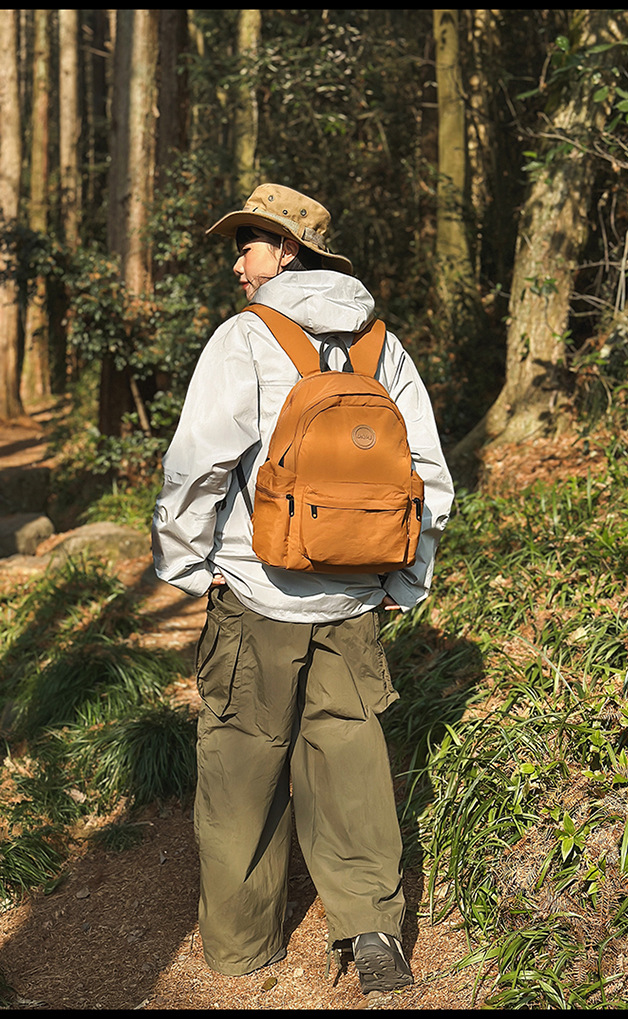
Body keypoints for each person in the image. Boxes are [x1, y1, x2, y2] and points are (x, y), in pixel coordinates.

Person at [151, 183, 454, 995]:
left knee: (242, 763)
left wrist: (188, 564)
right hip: (355, 596)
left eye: (246, 245)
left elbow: (195, 465)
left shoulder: (246, 339)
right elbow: (428, 476)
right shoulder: (382, 345)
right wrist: (405, 577)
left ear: (287, 250)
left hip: (259, 592)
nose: (237, 265)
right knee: (350, 758)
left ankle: (242, 944)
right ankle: (373, 926)